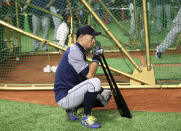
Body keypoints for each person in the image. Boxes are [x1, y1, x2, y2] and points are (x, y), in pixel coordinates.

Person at [54, 25, 112, 128]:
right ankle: (86, 118)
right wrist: (96, 56)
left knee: (104, 96)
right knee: (95, 82)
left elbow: (85, 78)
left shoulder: (79, 50)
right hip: (64, 97)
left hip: (70, 92)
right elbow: (90, 76)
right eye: (92, 38)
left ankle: (73, 108)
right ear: (81, 37)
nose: (93, 41)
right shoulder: (74, 51)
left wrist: (102, 91)